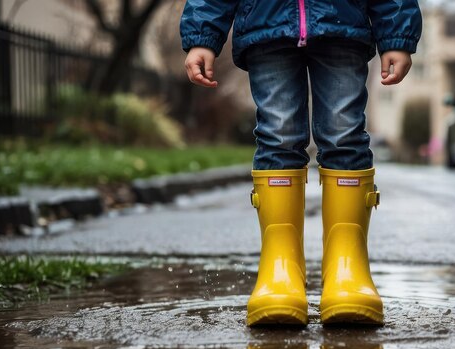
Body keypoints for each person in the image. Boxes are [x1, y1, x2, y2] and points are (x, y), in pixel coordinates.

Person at [181, 0, 423, 326]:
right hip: (267, 24)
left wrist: (396, 35)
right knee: (277, 137)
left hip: (343, 21)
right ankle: (281, 268)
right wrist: (202, 35)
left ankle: (346, 268)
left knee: (345, 136)